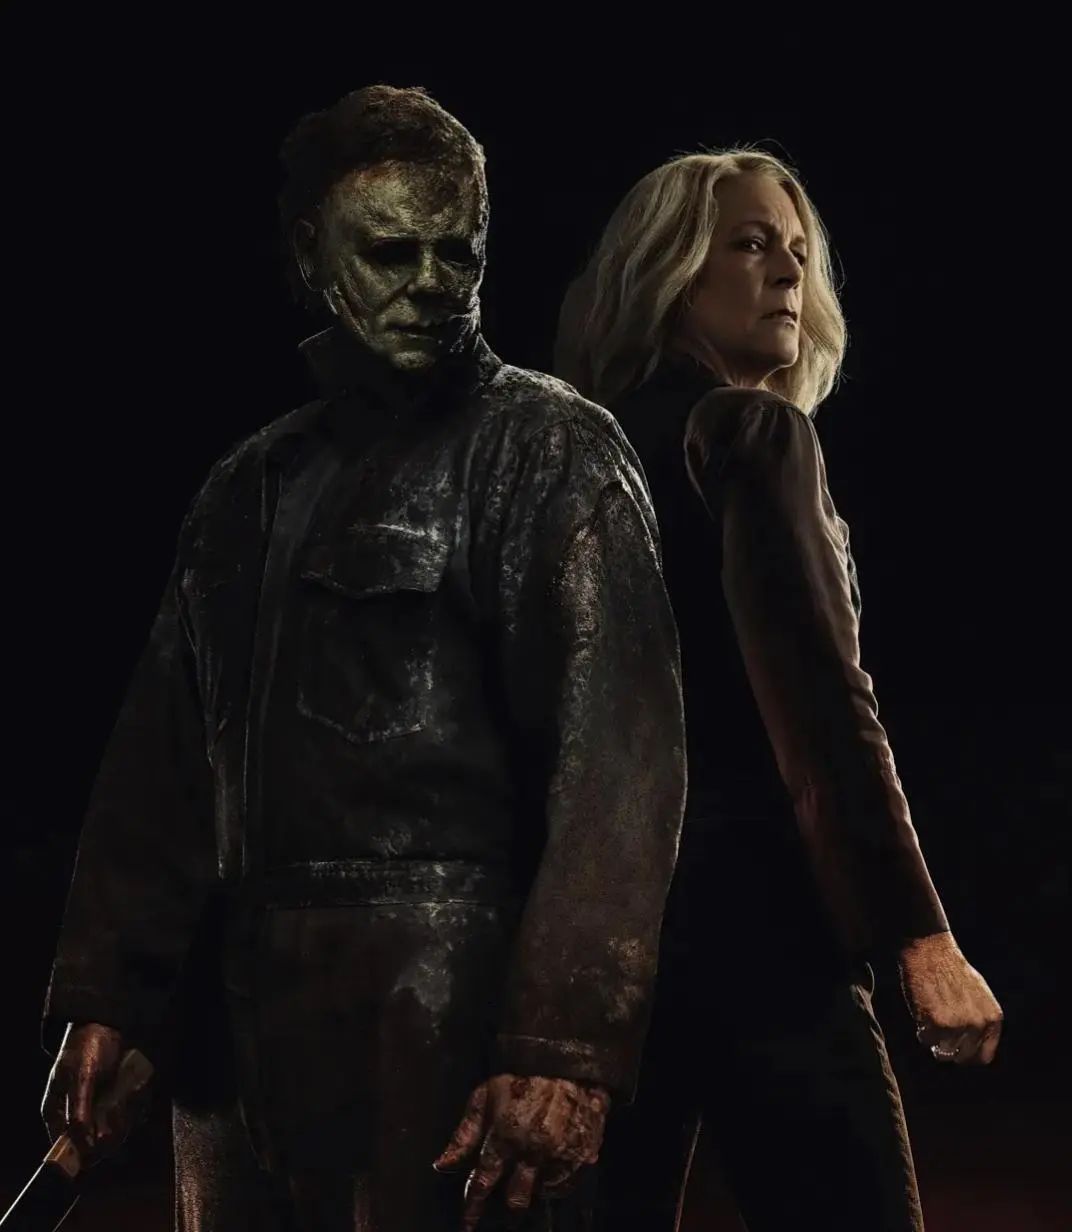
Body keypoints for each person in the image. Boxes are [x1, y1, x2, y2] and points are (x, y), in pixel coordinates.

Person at [40, 85, 686, 1232]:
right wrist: (113, 996)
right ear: (310, 254)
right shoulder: (247, 486)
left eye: (459, 250)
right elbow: (162, 770)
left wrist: (562, 1045)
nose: (433, 282)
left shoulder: (552, 451)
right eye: (391, 253)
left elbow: (620, 772)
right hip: (240, 1043)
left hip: (450, 1022)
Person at [554, 149, 1003, 1231]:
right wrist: (919, 936)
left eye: (798, 251)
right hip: (761, 929)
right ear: (670, 272)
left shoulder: (567, 456)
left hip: (595, 941)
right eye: (751, 244)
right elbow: (820, 703)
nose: (789, 272)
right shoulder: (752, 431)